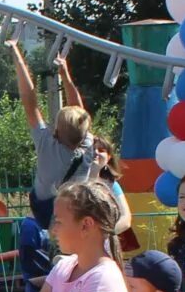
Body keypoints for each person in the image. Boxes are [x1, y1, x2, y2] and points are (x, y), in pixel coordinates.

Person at [11, 41, 129, 238]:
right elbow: (79, 111)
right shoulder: (89, 145)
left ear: (56, 131)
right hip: (74, 212)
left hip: (46, 212)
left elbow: (29, 101)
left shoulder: (46, 144)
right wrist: (65, 74)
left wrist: (18, 57)